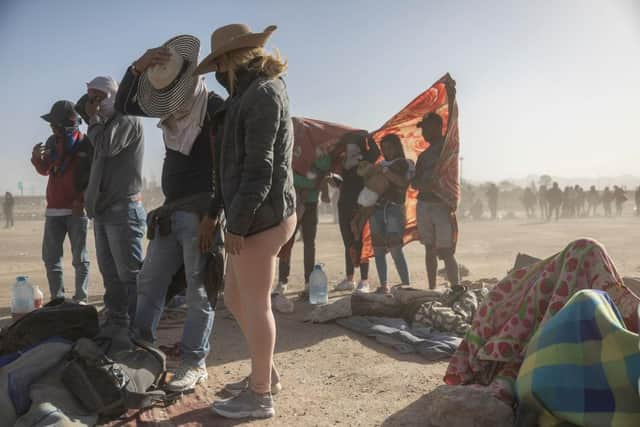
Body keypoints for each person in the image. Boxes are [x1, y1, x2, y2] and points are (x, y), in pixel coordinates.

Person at [194, 24, 296, 419]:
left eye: (220, 62)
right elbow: (229, 166)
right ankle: (265, 375)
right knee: (236, 299)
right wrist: (220, 211)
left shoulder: (264, 94)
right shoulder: (245, 96)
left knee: (254, 303)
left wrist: (236, 223)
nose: (217, 71)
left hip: (262, 216)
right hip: (250, 213)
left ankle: (260, 396)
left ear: (235, 58)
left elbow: (260, 169)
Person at [115, 35, 224, 392]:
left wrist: (214, 213)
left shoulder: (214, 108)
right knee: (150, 286)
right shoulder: (171, 112)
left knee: (199, 292)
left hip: (201, 214)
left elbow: (227, 165)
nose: (168, 104)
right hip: (171, 212)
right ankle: (140, 352)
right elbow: (125, 103)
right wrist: (139, 66)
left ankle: (195, 363)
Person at [82, 76, 146, 326]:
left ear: (112, 95)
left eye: (99, 98)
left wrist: (93, 120)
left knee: (129, 275)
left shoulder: (126, 119)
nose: (95, 103)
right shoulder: (106, 123)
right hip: (104, 211)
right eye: (91, 99)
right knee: (110, 274)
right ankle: (118, 323)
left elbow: (107, 147)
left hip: (123, 211)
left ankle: (138, 327)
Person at [31, 100, 92, 302]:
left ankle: (81, 298)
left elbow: (93, 176)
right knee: (51, 258)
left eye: (54, 124)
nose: (51, 128)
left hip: (77, 212)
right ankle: (57, 298)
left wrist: (81, 201)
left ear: (66, 124)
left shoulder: (86, 144)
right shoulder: (51, 142)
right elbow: (45, 170)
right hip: (53, 212)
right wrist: (36, 160)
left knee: (80, 259)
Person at [413, 113, 461, 291]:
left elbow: (453, 123)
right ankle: (432, 288)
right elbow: (415, 181)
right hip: (424, 204)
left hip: (441, 205)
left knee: (446, 250)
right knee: (429, 248)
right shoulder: (423, 155)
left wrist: (450, 91)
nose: (423, 133)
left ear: (437, 127)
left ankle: (456, 287)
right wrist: (419, 182)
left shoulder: (447, 147)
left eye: (426, 128)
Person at [275, 150, 331, 298]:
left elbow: (323, 170)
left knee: (309, 244)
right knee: (287, 242)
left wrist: (308, 183)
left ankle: (308, 282)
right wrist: (309, 183)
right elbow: (288, 175)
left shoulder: (319, 153)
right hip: (293, 204)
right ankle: (282, 281)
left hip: (311, 204)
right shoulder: (294, 148)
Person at [368, 134, 413, 294]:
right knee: (378, 249)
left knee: (395, 248)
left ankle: (406, 284)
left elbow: (402, 183)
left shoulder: (405, 164)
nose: (387, 151)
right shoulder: (380, 165)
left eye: (390, 147)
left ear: (397, 147)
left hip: (394, 209)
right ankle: (383, 284)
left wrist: (385, 171)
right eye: (384, 148)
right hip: (376, 210)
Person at [334, 131, 378, 293]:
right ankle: (349, 278)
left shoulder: (366, 157)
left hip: (360, 204)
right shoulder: (343, 159)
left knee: (361, 240)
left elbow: (376, 152)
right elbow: (336, 175)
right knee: (348, 241)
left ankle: (364, 280)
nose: (350, 144)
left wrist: (368, 137)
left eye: (353, 141)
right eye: (348, 141)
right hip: (344, 203)